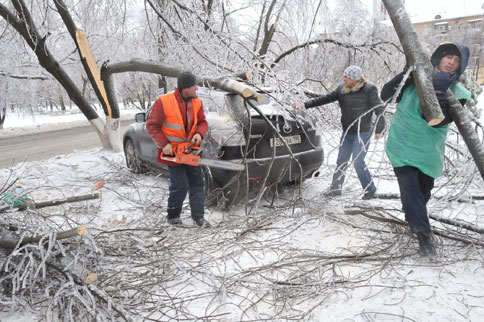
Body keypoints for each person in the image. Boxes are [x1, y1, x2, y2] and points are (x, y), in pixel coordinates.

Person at [381, 42, 471, 257]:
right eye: (448, 56)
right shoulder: (416, 80)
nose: (451, 62)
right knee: (411, 190)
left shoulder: (459, 93)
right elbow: (385, 94)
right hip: (401, 145)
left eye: (457, 60)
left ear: (461, 67)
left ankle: (412, 214)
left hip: (428, 152)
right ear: (439, 57)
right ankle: (425, 239)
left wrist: (439, 90)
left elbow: (437, 121)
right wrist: (405, 77)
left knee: (421, 194)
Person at [292, 65, 386, 200]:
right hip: (347, 132)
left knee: (358, 161)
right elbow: (324, 99)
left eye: (347, 77)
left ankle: (370, 189)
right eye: (344, 76)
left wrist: (380, 128)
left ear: (355, 79)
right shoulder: (342, 89)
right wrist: (305, 104)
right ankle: (335, 189)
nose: (344, 79)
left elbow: (379, 108)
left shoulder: (368, 89)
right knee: (341, 160)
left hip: (362, 132)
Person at [146, 71, 210, 227]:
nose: (196, 88)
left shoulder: (197, 102)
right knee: (180, 184)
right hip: (173, 153)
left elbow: (203, 122)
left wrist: (199, 134)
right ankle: (173, 216)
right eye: (194, 85)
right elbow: (152, 125)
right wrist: (164, 144)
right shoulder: (164, 102)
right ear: (185, 88)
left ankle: (198, 217)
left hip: (191, 151)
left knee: (197, 183)